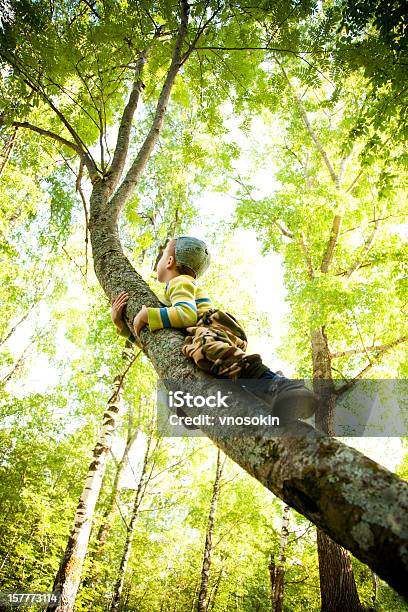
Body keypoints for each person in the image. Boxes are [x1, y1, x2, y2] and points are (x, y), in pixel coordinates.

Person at [111, 236, 317, 422]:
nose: (161, 257)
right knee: (198, 367)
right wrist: (124, 328)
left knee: (206, 348)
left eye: (164, 253)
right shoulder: (176, 290)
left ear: (170, 261)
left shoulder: (179, 282)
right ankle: (264, 397)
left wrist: (150, 315)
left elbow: (186, 314)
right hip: (209, 332)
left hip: (212, 326)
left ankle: (279, 385)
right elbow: (155, 347)